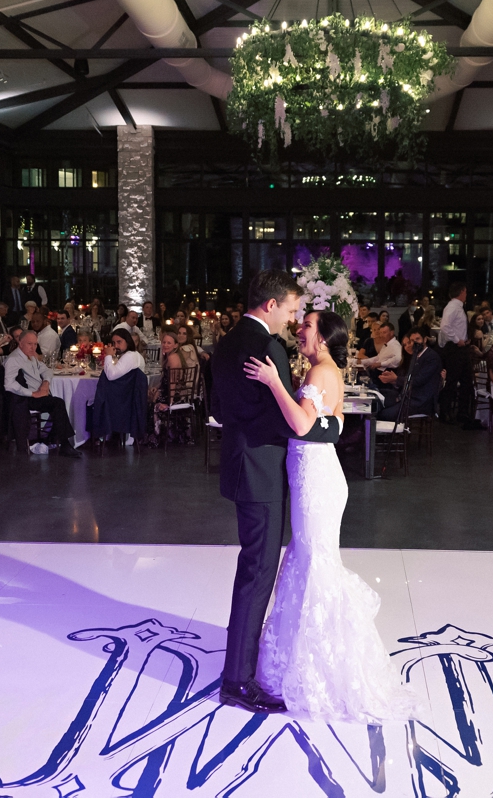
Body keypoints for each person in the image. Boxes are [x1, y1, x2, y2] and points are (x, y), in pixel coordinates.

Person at [242, 307, 413, 722]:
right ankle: (309, 656)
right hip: (313, 476)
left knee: (316, 565)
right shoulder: (325, 369)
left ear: (322, 337)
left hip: (315, 482)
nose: (299, 331)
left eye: (306, 326)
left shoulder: (321, 373)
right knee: (309, 561)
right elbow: (331, 420)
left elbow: (301, 424)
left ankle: (326, 665)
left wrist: (274, 382)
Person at [208, 269, 303, 714]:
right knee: (257, 573)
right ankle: (238, 681)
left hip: (239, 463)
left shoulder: (226, 343)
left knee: (254, 568)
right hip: (262, 471)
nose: (292, 317)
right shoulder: (268, 348)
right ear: (271, 305)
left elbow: (219, 409)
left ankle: (239, 664)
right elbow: (285, 419)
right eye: (290, 309)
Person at [3, 330, 80, 458]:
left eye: (35, 344)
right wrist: (32, 393)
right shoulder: (14, 359)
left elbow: (46, 370)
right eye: (29, 344)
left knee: (58, 404)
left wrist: (45, 382)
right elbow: (9, 384)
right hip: (24, 398)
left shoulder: (31, 356)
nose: (33, 347)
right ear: (20, 343)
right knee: (58, 403)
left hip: (38, 392)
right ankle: (64, 444)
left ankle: (54, 439)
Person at [376, 329, 444, 423]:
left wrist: (396, 379)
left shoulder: (431, 357)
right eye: (412, 340)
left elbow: (418, 381)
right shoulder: (417, 355)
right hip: (409, 397)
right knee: (378, 402)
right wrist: (394, 380)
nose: (414, 343)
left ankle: (390, 435)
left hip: (421, 402)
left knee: (383, 415)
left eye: (417, 339)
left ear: (424, 340)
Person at [437, 281, 470, 423]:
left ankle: (462, 413)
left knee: (466, 381)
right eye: (466, 291)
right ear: (462, 291)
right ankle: (445, 412)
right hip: (455, 349)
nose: (466, 294)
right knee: (452, 381)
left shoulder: (457, 307)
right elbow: (445, 327)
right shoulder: (453, 307)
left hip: (459, 348)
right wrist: (457, 340)